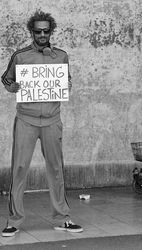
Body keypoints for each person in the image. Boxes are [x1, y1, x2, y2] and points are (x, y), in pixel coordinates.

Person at [1, 10, 83, 237]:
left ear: (51, 31)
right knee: (18, 169)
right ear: (31, 32)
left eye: (46, 31)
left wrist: (66, 84)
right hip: (26, 120)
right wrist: (12, 87)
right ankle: (14, 221)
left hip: (52, 120)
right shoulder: (20, 56)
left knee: (56, 169)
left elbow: (66, 80)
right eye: (38, 31)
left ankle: (63, 218)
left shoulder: (61, 56)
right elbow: (6, 78)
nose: (42, 34)